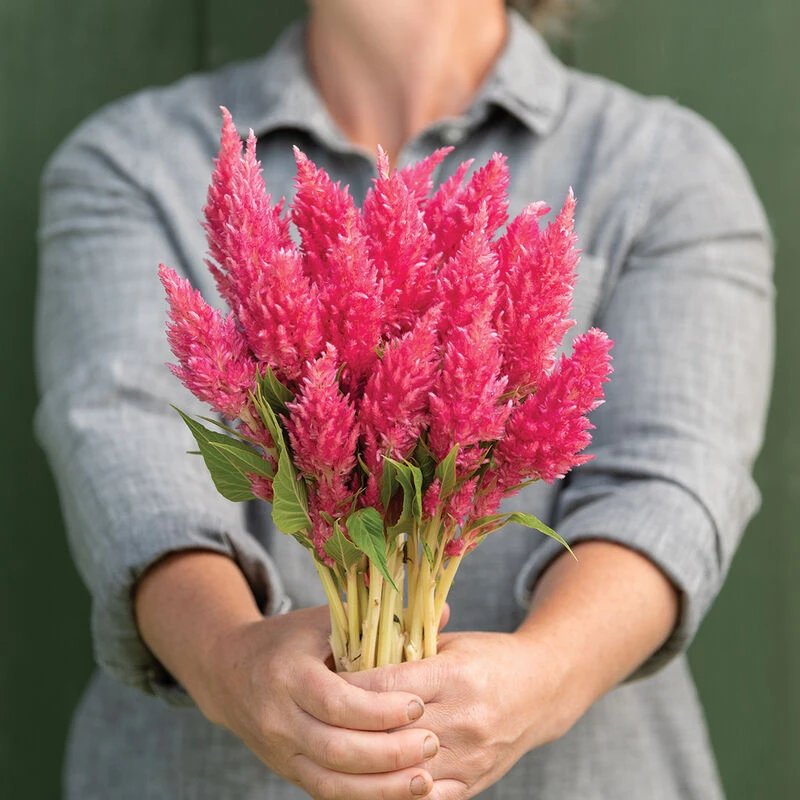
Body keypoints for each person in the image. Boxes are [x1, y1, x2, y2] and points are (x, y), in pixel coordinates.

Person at [35, 1, 774, 798]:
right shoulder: (136, 159)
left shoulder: (664, 165)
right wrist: (231, 661)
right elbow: (125, 457)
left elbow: (671, 485)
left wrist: (546, 673)